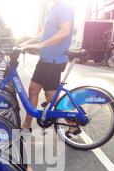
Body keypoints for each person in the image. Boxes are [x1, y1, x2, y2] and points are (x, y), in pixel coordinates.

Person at [19, 0, 76, 135]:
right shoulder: (53, 9)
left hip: (54, 61)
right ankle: (26, 126)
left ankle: (73, 124)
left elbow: (65, 31)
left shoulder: (65, 7)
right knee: (33, 90)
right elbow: (42, 33)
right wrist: (24, 43)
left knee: (51, 97)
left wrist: (41, 45)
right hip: (45, 60)